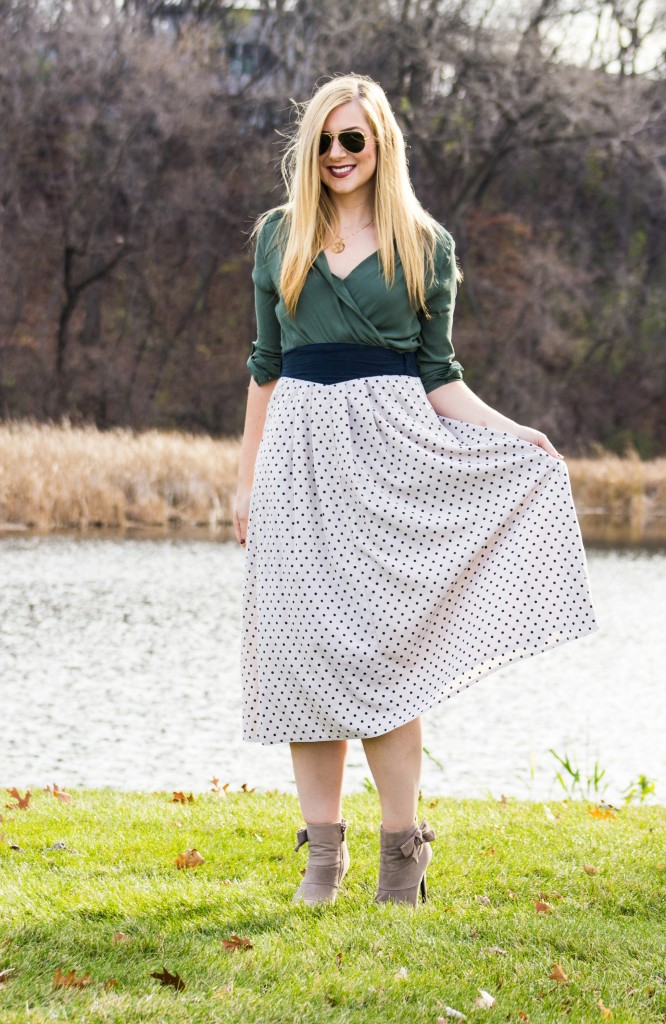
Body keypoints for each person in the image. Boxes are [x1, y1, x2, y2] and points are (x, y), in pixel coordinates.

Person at [233, 72, 598, 909]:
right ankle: (322, 858)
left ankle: (405, 855)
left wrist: (514, 435)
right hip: (297, 459)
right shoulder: (279, 237)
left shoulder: (425, 245)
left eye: (352, 139)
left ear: (381, 144)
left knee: (386, 657)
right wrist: (245, 479)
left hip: (392, 456)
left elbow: (442, 378)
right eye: (324, 139)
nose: (336, 154)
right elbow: (264, 368)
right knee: (303, 654)